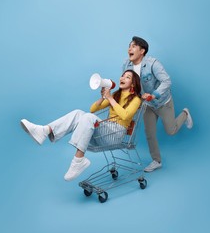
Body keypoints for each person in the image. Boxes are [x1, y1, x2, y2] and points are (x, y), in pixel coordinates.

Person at [20, 70, 142, 181]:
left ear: (132, 84)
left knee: (88, 117)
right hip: (105, 132)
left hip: (115, 135)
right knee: (79, 113)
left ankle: (78, 160)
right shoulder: (116, 95)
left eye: (127, 77)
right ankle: (45, 130)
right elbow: (93, 109)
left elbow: (125, 116)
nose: (123, 78)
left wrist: (110, 99)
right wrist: (103, 98)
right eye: (122, 75)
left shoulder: (136, 99)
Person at [122, 36, 193, 172]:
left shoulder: (153, 63)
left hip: (162, 102)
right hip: (147, 105)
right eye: (129, 46)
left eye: (133, 46)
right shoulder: (126, 65)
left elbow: (166, 81)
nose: (129, 48)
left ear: (142, 51)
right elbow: (127, 85)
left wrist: (153, 95)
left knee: (170, 131)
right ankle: (156, 160)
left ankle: (185, 114)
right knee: (149, 133)